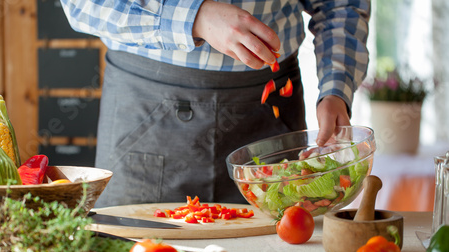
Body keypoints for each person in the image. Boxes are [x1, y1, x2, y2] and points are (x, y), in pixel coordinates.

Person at [60, 0, 370, 207]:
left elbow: (340, 4)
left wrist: (336, 87)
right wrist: (196, 17)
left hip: (271, 110)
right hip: (147, 107)